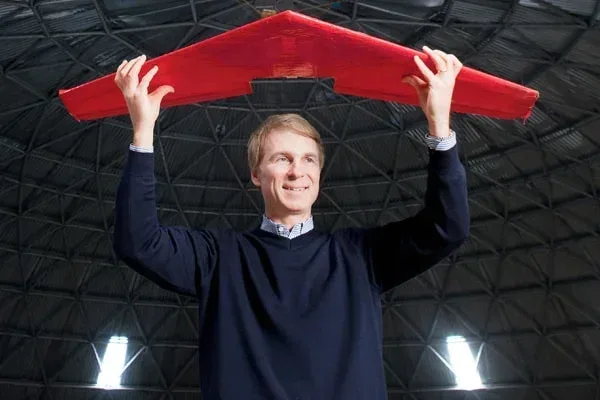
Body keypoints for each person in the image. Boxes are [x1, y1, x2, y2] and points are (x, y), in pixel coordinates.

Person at [113, 45, 469, 400]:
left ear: (319, 173)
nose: (297, 171)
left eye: (308, 160)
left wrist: (439, 125)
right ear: (255, 173)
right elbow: (138, 242)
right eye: (282, 158)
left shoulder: (360, 257)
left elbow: (446, 228)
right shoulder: (218, 258)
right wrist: (143, 130)